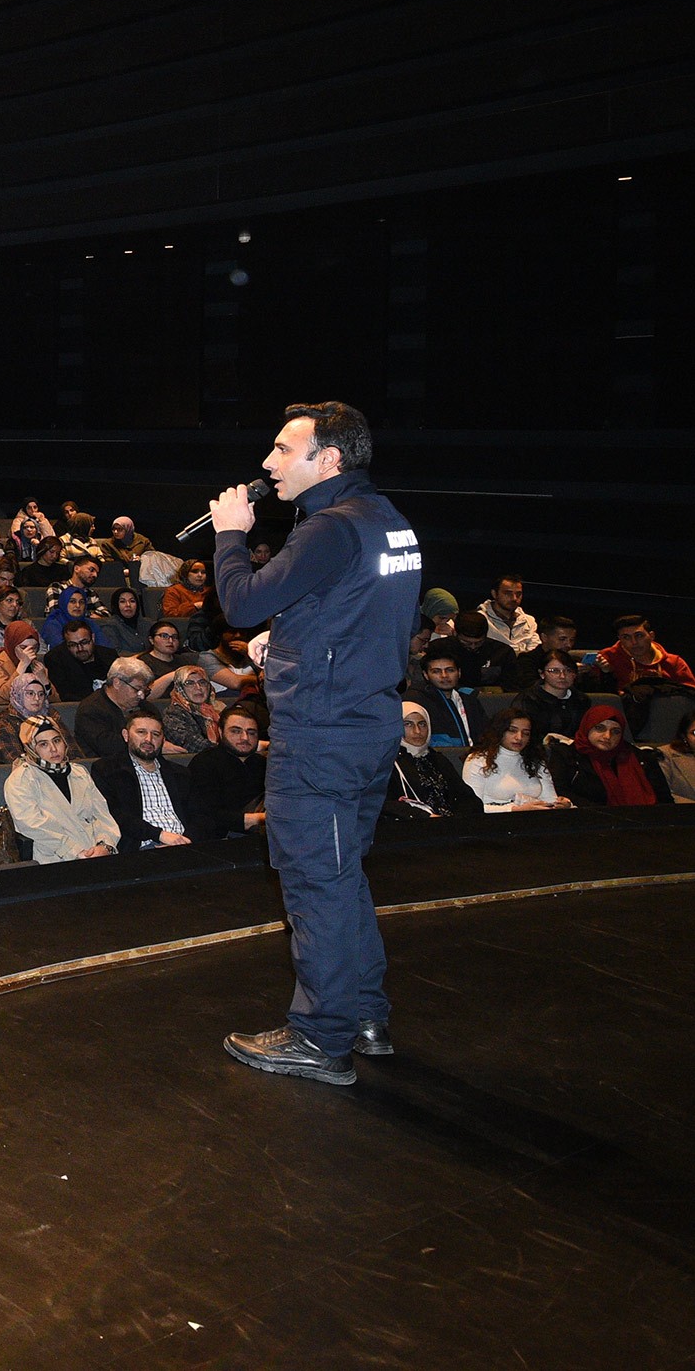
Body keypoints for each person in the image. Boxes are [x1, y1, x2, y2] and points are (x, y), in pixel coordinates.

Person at [208, 402, 418, 1084]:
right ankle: (363, 1015)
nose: (268, 464)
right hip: (366, 725)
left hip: (321, 737)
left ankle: (320, 1038)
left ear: (326, 459)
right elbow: (362, 611)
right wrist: (293, 638)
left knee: (314, 886)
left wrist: (230, 537)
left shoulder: (327, 529)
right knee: (343, 877)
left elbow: (239, 603)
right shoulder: (387, 521)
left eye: (281, 450)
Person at [3, 719, 121, 862]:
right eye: (43, 744)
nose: (53, 749)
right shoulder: (21, 779)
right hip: (53, 859)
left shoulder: (79, 772)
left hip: (95, 853)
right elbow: (32, 826)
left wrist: (105, 845)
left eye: (57, 740)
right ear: (31, 748)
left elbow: (102, 815)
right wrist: (75, 851)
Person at [92, 707, 205, 848]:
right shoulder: (107, 770)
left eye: (156, 734)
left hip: (185, 845)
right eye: (141, 732)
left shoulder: (180, 773)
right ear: (126, 735)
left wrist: (185, 840)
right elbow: (114, 815)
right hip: (142, 846)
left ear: (163, 739)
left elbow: (201, 816)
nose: (149, 739)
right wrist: (159, 835)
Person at [383, 701, 479, 820]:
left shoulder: (437, 759)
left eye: (422, 724)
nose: (417, 731)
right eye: (408, 724)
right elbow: (382, 803)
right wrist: (425, 816)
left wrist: (455, 820)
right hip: (412, 828)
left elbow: (468, 799)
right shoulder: (387, 762)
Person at [554, 704, 663, 806]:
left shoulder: (640, 758)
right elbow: (561, 792)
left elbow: (664, 799)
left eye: (615, 732)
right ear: (587, 727)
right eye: (600, 728)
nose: (607, 736)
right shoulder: (566, 755)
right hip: (587, 820)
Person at [186, 707, 270, 839]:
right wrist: (258, 818)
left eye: (252, 732)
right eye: (236, 731)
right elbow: (205, 813)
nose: (245, 737)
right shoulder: (205, 763)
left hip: (268, 831)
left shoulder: (264, 764)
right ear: (220, 732)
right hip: (225, 837)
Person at [461, 711, 563, 811]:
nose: (519, 737)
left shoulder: (535, 760)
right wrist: (514, 809)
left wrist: (562, 805)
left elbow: (550, 800)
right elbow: (473, 808)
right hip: (494, 822)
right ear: (500, 731)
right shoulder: (477, 760)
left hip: (535, 820)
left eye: (526, 733)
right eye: (512, 731)